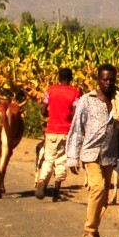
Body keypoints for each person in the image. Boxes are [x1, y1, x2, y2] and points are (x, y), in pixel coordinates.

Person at [65, 63, 119, 237]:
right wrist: (72, 157)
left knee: (104, 198)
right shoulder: (87, 100)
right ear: (98, 80)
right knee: (98, 188)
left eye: (111, 79)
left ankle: (95, 233)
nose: (108, 83)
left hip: (109, 155)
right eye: (104, 79)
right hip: (91, 153)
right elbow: (76, 129)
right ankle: (88, 231)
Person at [32, 66, 82, 201]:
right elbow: (76, 112)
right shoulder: (75, 93)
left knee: (48, 158)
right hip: (66, 131)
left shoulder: (51, 91)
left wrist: (50, 113)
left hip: (51, 129)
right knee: (61, 160)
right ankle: (56, 192)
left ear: (59, 78)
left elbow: (43, 109)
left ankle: (42, 181)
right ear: (71, 79)